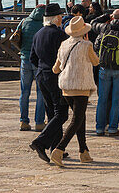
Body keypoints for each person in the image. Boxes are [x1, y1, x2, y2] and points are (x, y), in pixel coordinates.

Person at [42, 15, 99, 165]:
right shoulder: (87, 45)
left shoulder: (64, 44)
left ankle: (84, 151)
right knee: (76, 120)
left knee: (80, 118)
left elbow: (56, 69)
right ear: (84, 32)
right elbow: (95, 62)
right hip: (81, 87)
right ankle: (59, 150)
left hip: (66, 87)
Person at [29, 3, 67, 162]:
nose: (62, 19)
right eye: (61, 16)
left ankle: (56, 148)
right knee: (62, 113)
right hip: (54, 76)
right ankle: (41, 142)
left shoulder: (38, 33)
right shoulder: (59, 35)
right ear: (57, 18)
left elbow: (33, 58)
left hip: (41, 75)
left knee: (52, 112)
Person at [16, 4, 47, 130]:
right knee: (41, 92)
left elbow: (17, 36)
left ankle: (23, 121)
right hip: (39, 61)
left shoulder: (25, 21)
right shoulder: (44, 24)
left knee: (25, 92)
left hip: (25, 59)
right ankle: (39, 122)